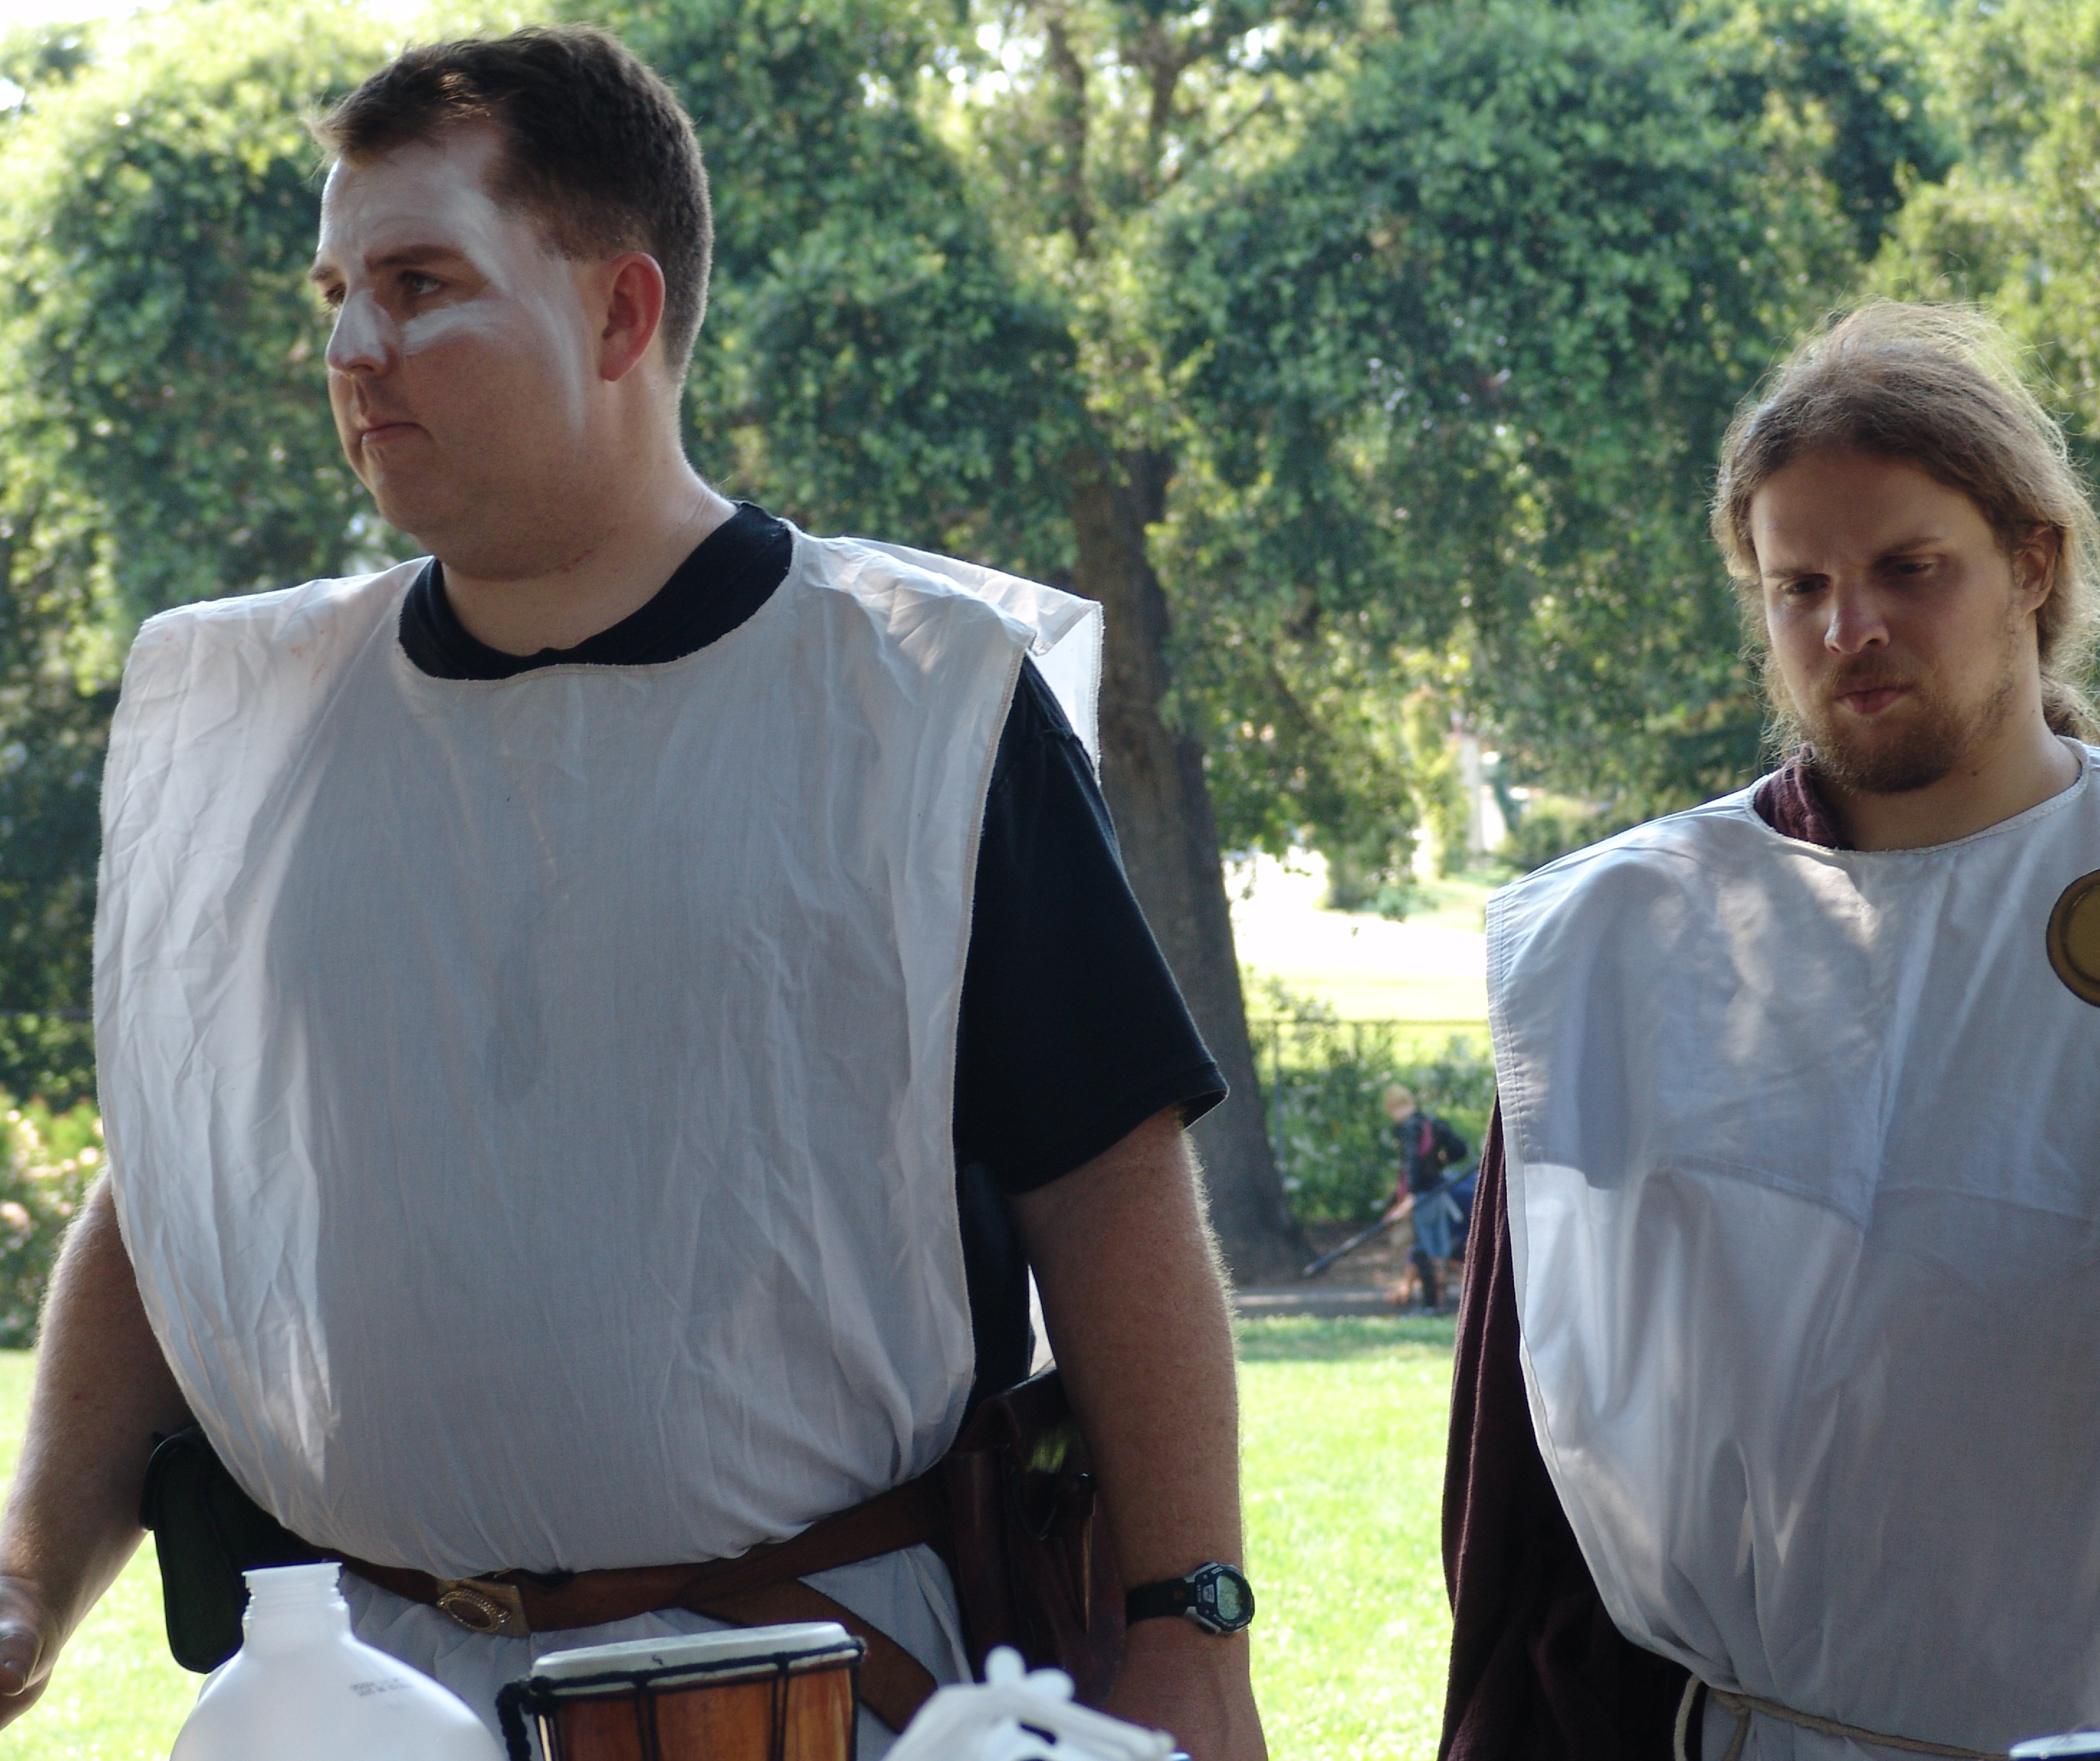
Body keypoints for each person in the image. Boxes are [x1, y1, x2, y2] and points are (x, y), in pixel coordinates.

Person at [0, 29, 1266, 1761]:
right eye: (338, 294)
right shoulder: (249, 727)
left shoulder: (917, 702)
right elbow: (182, 1188)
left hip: (815, 1681)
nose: (353, 348)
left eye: (421, 283)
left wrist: (1189, 1626)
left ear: (619, 312)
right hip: (356, 1697)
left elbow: (1108, 1186)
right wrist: (29, 1572)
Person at [1441, 302, 2100, 1761]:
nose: (1846, 628)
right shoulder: (1612, 945)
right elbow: (1515, 1472)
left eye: (1907, 569)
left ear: (2031, 563)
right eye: (1798, 585)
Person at [1380, 1084, 1469, 1312]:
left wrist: (1409, 1195)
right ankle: (1438, 1300)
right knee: (1436, 1247)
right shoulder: (1432, 1123)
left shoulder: (1407, 1128)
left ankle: (1432, 1303)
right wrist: (1441, 1162)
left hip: (1420, 1195)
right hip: (1438, 1189)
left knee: (1426, 1248)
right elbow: (1460, 1149)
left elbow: (1411, 1161)